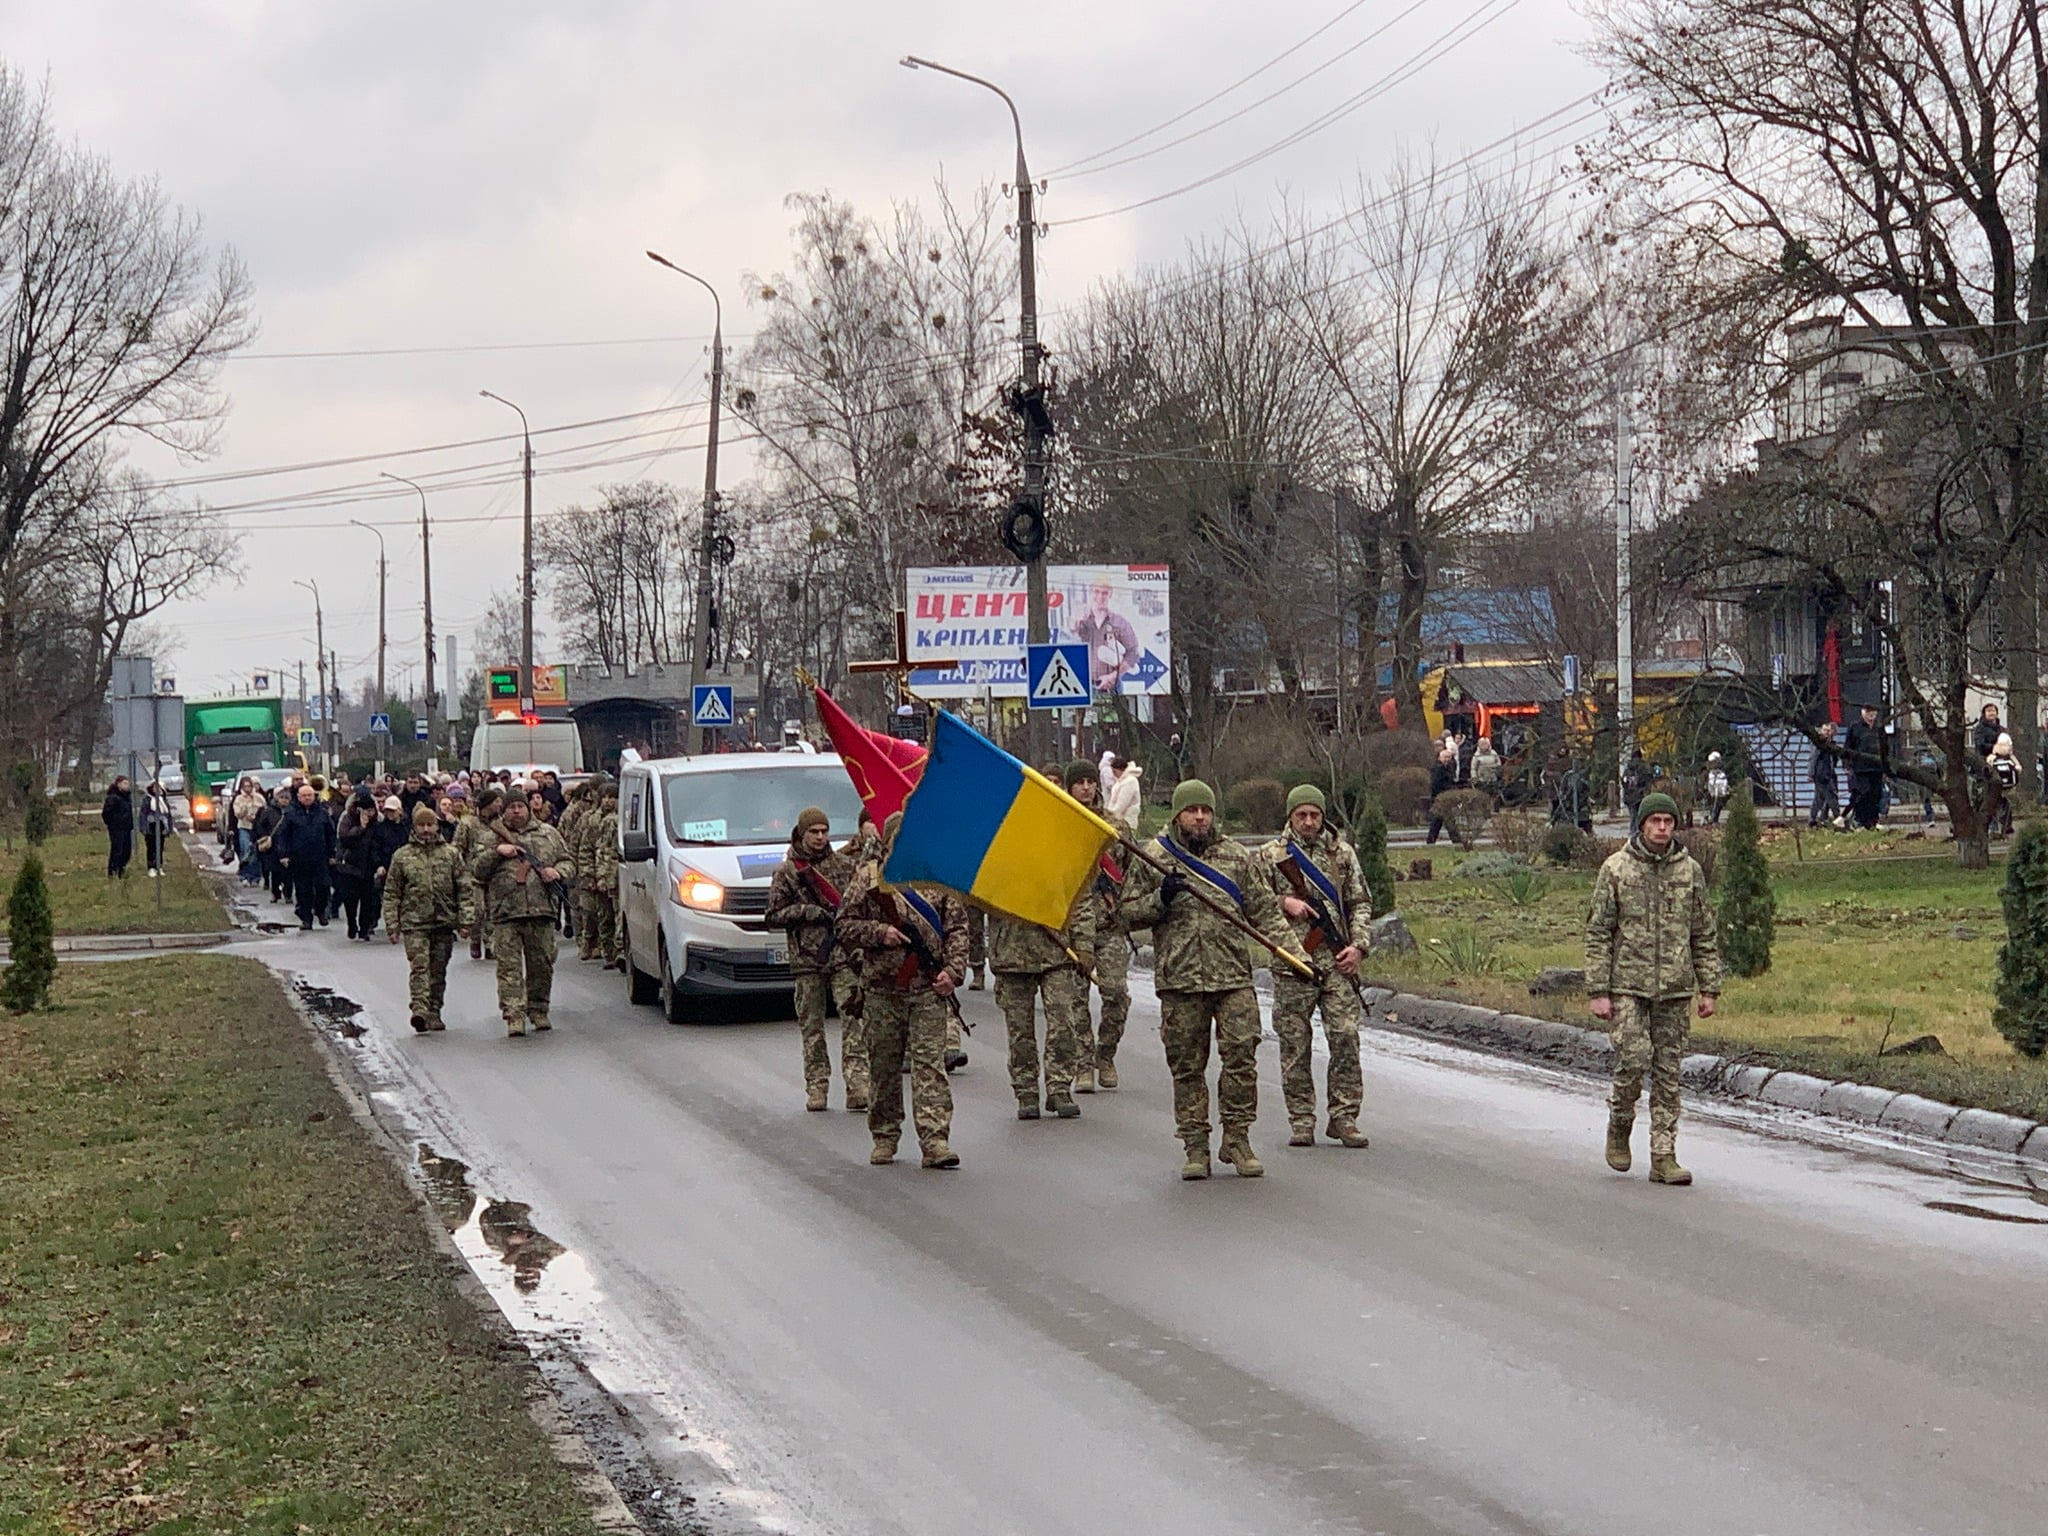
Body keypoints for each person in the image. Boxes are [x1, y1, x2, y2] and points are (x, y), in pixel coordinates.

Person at [1117, 779, 1299, 1181]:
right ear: (1178, 814)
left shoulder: (1236, 856)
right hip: (1180, 980)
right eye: (1192, 810)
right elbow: (1124, 914)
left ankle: (1237, 1138)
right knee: (1187, 1066)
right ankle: (1195, 1144)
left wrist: (1295, 955)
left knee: (1241, 1056)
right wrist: (1160, 898)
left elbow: (1265, 912)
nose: (1200, 817)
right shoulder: (1154, 856)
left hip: (1232, 977)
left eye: (1206, 810)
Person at [1585, 791, 1722, 1186]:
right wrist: (1598, 990)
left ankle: (1664, 1155)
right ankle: (1619, 1122)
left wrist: (1709, 987)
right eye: (1655, 821)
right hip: (1627, 984)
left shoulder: (1689, 871)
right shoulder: (1616, 869)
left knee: (1668, 1073)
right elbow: (1598, 933)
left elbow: (1703, 933)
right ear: (1642, 824)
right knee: (1633, 1057)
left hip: (1675, 987)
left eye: (1668, 821)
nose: (1662, 828)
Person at [836, 812, 967, 1169]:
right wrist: (880, 933)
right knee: (884, 1068)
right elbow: (844, 925)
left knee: (930, 1067)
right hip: (882, 991)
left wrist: (953, 972)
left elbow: (957, 929)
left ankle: (935, 1140)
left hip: (927, 990)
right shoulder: (869, 878)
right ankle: (885, 1135)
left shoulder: (936, 878)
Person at [1262, 785, 1372, 1149]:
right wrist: (1284, 902)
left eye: (1315, 815)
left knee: (1345, 1037)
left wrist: (1358, 947)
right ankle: (1301, 1119)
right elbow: (1251, 902)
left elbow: (1360, 902)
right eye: (1302, 815)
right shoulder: (1272, 855)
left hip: (1338, 963)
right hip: (1294, 963)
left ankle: (1344, 1117)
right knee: (1295, 1044)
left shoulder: (1342, 854)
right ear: (1290, 816)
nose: (1308, 822)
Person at [764, 806, 868, 1113]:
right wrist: (806, 912)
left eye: (824, 831)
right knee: (812, 1026)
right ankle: (817, 1086)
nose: (820, 837)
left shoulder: (844, 866)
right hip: (807, 959)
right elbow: (773, 915)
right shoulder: (788, 872)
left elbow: (860, 907)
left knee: (854, 1020)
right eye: (814, 832)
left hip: (843, 956)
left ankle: (858, 1084)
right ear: (801, 833)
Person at [988, 844, 1095, 1122]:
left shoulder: (1058, 850)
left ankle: (1059, 1087)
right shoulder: (995, 853)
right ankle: (1026, 1091)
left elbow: (1080, 900)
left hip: (1057, 952)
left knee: (1064, 1021)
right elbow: (977, 900)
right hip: (1011, 954)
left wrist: (1084, 946)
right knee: (1020, 1031)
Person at [472, 793, 573, 1038]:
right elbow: (477, 870)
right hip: (506, 912)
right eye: (511, 807)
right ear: (504, 810)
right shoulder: (490, 837)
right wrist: (498, 852)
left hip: (541, 910)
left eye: (520, 806)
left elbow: (568, 861)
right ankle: (514, 1015)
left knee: (542, 965)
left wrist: (557, 872)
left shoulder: (548, 833)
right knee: (509, 969)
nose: (516, 811)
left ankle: (538, 1009)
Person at [1064, 760, 1130, 1091]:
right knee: (1075, 1000)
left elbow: (1131, 873)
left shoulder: (1115, 827)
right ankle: (1083, 1063)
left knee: (1116, 994)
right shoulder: (1059, 825)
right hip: (1072, 929)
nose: (1087, 787)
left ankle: (1106, 1054)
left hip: (1109, 925)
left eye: (1091, 781)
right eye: (1080, 782)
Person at [384, 804, 465, 1032]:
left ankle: (434, 1010)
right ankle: (419, 1009)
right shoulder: (402, 856)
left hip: (443, 921)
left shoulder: (450, 854)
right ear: (415, 827)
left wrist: (466, 920)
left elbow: (464, 887)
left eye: (430, 825)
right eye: (422, 825)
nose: (426, 829)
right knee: (420, 968)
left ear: (437, 826)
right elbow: (392, 892)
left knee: (438, 970)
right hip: (415, 922)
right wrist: (392, 924)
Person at [275, 781, 336, 931]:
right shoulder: (290, 814)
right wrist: (283, 854)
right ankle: (306, 918)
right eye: (304, 795)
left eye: (310, 795)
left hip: (320, 857)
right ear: (298, 797)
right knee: (303, 890)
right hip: (299, 859)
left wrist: (332, 854)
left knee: (323, 887)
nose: (307, 798)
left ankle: (320, 910)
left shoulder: (322, 813)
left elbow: (330, 834)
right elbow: (282, 836)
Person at [454, 784, 505, 961]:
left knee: (492, 909)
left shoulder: (499, 824)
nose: (499, 805)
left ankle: (490, 943)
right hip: (472, 873)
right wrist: (459, 871)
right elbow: (458, 848)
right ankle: (475, 939)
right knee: (478, 909)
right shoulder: (468, 823)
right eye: (496, 802)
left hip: (494, 873)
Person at [1074, 579, 1142, 691]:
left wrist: (1112, 676)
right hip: (1083, 686)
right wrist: (1075, 622)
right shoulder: (1082, 621)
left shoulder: (1120, 623)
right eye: (1096, 591)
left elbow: (1133, 653)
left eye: (1105, 593)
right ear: (1090, 593)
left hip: (1112, 686)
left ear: (1110, 594)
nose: (1100, 597)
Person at [333, 789, 380, 939]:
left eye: (371, 810)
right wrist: (361, 828)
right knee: (350, 900)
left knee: (367, 900)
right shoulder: (348, 818)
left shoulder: (377, 822)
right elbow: (344, 838)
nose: (369, 814)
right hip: (350, 866)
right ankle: (352, 924)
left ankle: (364, 928)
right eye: (366, 810)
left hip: (368, 866)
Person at [364, 795, 410, 937]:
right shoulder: (380, 828)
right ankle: (372, 921)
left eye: (393, 811)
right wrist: (378, 864)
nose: (390, 814)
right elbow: (374, 848)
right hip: (386, 866)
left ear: (399, 811)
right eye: (388, 811)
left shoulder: (406, 827)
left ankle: (402, 922)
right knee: (380, 897)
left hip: (404, 867)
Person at [1844, 703, 1889, 830]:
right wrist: (1847, 764)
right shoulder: (1855, 727)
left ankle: (1873, 822)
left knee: (1876, 795)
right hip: (1861, 768)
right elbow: (1848, 746)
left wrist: (1886, 767)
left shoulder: (1879, 728)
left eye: (1874, 713)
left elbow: (1885, 748)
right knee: (1863, 794)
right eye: (1869, 713)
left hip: (1877, 768)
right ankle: (1860, 821)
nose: (1871, 716)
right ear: (1863, 713)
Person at [253, 786, 290, 900]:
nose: (284, 800)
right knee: (275, 872)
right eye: (282, 798)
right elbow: (260, 826)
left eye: (286, 798)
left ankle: (288, 894)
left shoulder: (292, 811)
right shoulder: (268, 811)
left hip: (288, 845)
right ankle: (275, 892)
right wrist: (264, 836)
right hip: (272, 846)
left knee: (288, 872)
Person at [230, 776, 267, 883]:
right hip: (244, 827)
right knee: (245, 850)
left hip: (257, 829)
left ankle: (255, 876)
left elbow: (265, 811)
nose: (247, 789)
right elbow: (237, 814)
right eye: (245, 786)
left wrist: (257, 817)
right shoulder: (239, 799)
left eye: (249, 786)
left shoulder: (259, 797)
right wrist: (245, 808)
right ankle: (245, 875)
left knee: (256, 851)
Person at [1809, 722, 1842, 828]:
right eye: (1825, 730)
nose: (1827, 733)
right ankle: (1838, 818)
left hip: (1829, 774)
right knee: (1831, 796)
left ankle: (1813, 819)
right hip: (1821, 774)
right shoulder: (1819, 744)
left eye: (1828, 730)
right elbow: (1814, 758)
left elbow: (1834, 758)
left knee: (1819, 799)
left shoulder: (1831, 744)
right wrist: (1811, 773)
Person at [1424, 745, 1459, 844]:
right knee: (1443, 820)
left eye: (1449, 757)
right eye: (1445, 757)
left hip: (1444, 798)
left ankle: (1432, 840)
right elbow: (1436, 784)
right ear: (1440, 757)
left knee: (1440, 821)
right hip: (1440, 798)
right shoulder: (1438, 769)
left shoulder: (1447, 768)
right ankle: (1456, 840)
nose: (1447, 760)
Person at [1989, 733, 2020, 836]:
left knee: (1994, 806)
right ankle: (2006, 826)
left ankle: (1994, 828)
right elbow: (2018, 768)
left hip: (1994, 787)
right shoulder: (2010, 758)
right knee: (2006, 806)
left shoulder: (1992, 757)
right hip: (2008, 787)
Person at [140, 781, 174, 877]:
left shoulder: (163, 800)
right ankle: (151, 867)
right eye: (155, 787)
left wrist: (169, 828)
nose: (157, 789)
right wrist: (144, 827)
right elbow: (143, 814)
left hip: (161, 826)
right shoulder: (147, 799)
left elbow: (168, 815)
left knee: (160, 847)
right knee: (151, 848)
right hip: (151, 826)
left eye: (159, 788)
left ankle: (159, 866)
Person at [1103, 755, 1143, 835]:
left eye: (1114, 772)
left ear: (1120, 769)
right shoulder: (1121, 781)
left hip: (1126, 824)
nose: (1113, 775)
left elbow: (1121, 805)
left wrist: (1109, 817)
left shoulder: (1130, 782)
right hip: (1117, 823)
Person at [1621, 749, 1656, 828]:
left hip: (1629, 795)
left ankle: (1633, 831)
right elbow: (1649, 780)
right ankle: (1638, 830)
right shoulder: (1644, 767)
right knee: (1640, 814)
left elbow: (1624, 782)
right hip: (1641, 795)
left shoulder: (1627, 768)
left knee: (1633, 815)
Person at [1470, 736, 1503, 802]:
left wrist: (1498, 772)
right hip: (1481, 780)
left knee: (1494, 796)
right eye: (1482, 744)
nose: (1484, 746)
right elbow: (1473, 768)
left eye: (1485, 744)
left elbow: (1499, 764)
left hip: (1493, 778)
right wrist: (1474, 778)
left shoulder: (1494, 753)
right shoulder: (1476, 755)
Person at [1702, 752, 1731, 826]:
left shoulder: (1721, 774)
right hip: (1711, 794)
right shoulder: (1710, 774)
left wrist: (1723, 791)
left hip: (1719, 795)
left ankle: (1715, 819)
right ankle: (1711, 818)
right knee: (1711, 805)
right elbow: (1709, 784)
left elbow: (1723, 784)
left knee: (1718, 805)